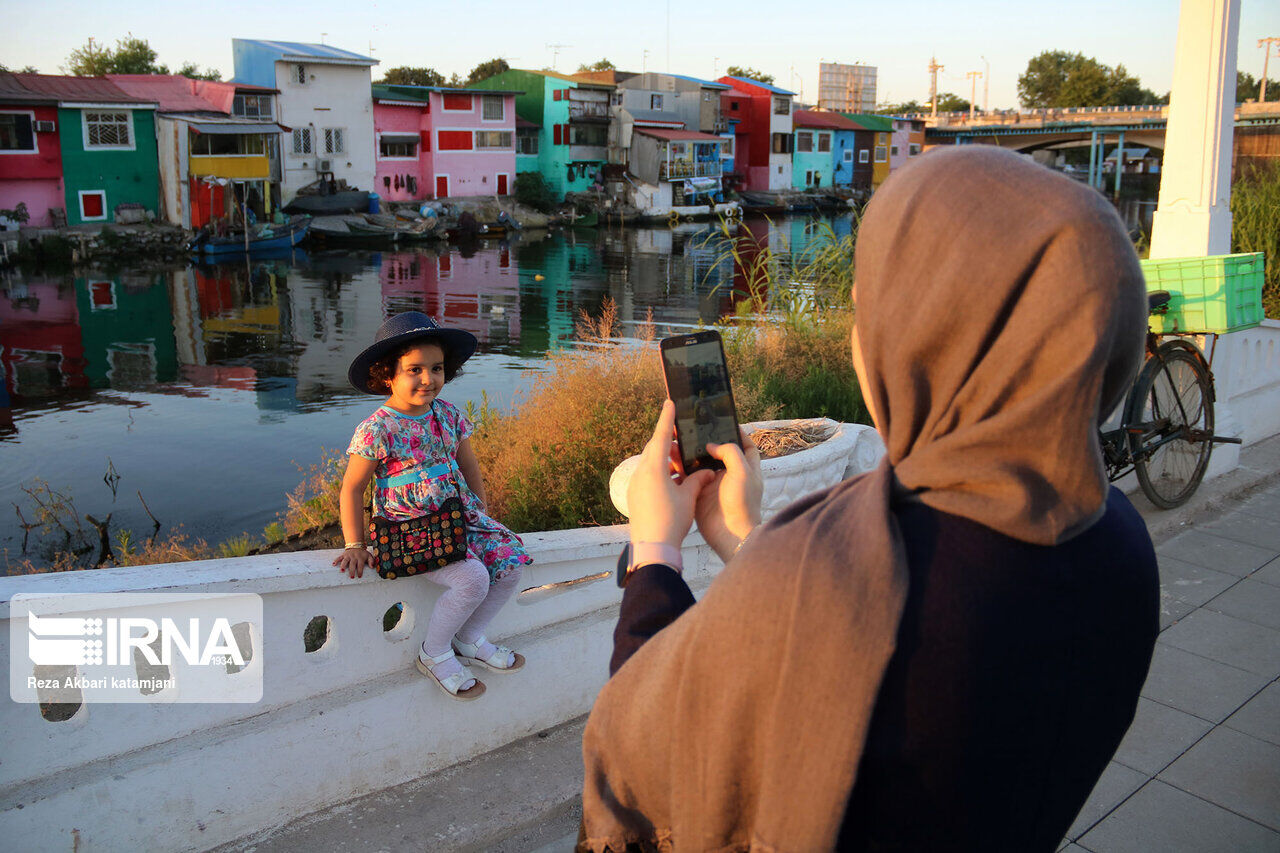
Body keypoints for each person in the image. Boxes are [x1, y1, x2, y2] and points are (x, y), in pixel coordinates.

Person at [578, 146, 1160, 851]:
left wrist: (655, 552)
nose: (859, 338)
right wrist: (745, 535)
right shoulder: (1120, 543)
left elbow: (641, 750)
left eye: (868, 309)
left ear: (927, 335)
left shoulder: (829, 575)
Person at [335, 312, 532, 701]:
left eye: (437, 368)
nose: (428, 378)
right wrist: (354, 544)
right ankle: (435, 651)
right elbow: (352, 489)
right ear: (387, 374)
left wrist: (483, 512)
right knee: (472, 578)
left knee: (510, 562)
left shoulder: (448, 415)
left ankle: (471, 638)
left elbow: (468, 465)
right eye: (415, 369)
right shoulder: (378, 428)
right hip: (411, 529)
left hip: (459, 517)